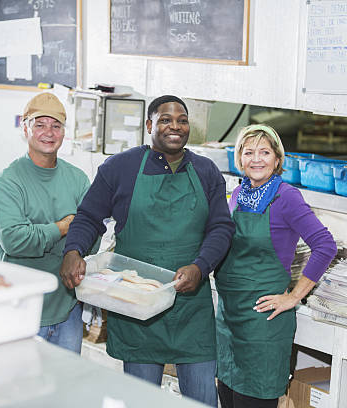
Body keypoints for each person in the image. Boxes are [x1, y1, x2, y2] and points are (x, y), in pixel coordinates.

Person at [60, 94, 234, 407]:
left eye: (182, 121)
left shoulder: (206, 172)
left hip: (190, 308)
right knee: (142, 401)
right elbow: (88, 216)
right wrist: (74, 250)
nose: (175, 127)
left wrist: (202, 265)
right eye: (166, 120)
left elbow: (221, 228)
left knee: (203, 400)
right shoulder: (119, 168)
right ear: (149, 125)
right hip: (137, 305)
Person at [215, 124, 337, 408]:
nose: (256, 159)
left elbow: (325, 245)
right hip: (229, 320)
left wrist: (295, 296)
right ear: (240, 160)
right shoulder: (236, 196)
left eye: (264, 152)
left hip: (263, 325)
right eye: (249, 152)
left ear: (277, 159)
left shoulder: (287, 197)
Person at [0, 92, 93, 354]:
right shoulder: (7, 182)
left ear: (63, 132)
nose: (49, 132)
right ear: (25, 128)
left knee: (66, 388)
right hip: (22, 307)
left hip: (66, 307)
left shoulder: (79, 180)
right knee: (21, 388)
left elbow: (91, 235)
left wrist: (68, 239)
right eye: (40, 124)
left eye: (56, 126)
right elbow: (15, 240)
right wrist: (63, 227)